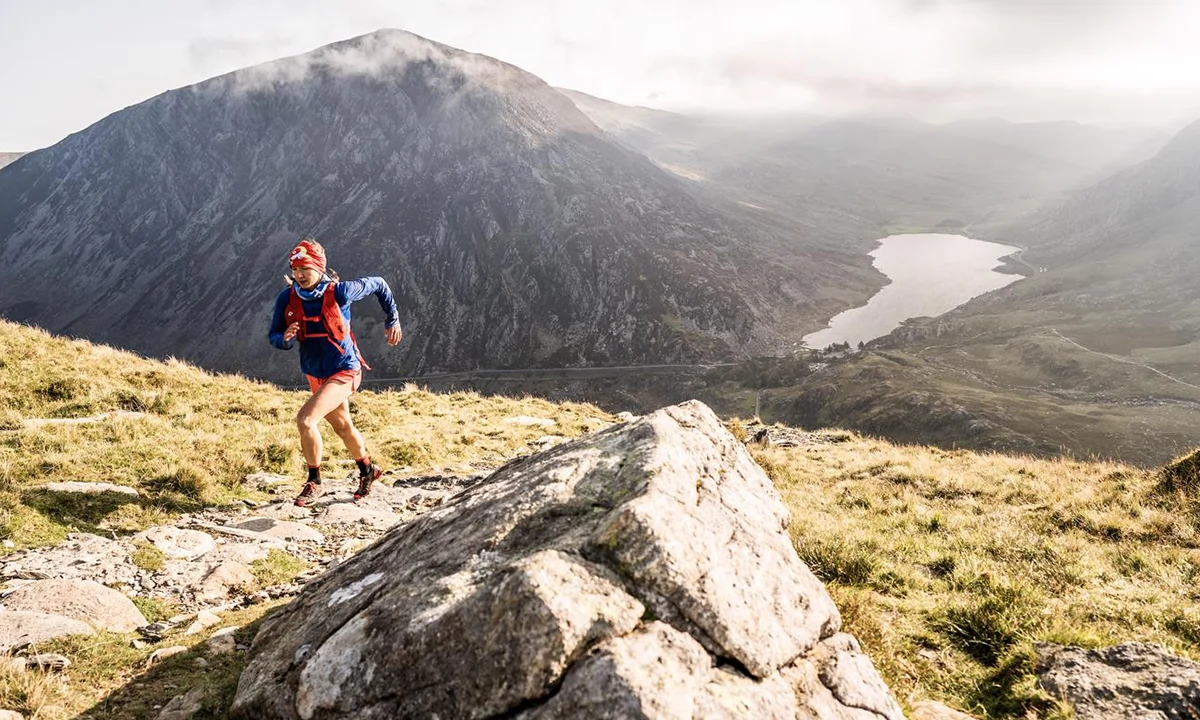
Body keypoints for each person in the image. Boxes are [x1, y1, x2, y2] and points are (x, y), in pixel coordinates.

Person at [268, 237, 402, 507]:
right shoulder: (288, 298)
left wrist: (392, 318)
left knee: (306, 420)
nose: (299, 274)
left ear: (319, 267)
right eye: (295, 269)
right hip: (315, 372)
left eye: (305, 268)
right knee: (342, 426)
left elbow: (379, 283)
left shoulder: (340, 292)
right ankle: (368, 471)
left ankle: (314, 482)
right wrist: (285, 338)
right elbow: (273, 334)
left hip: (344, 369)